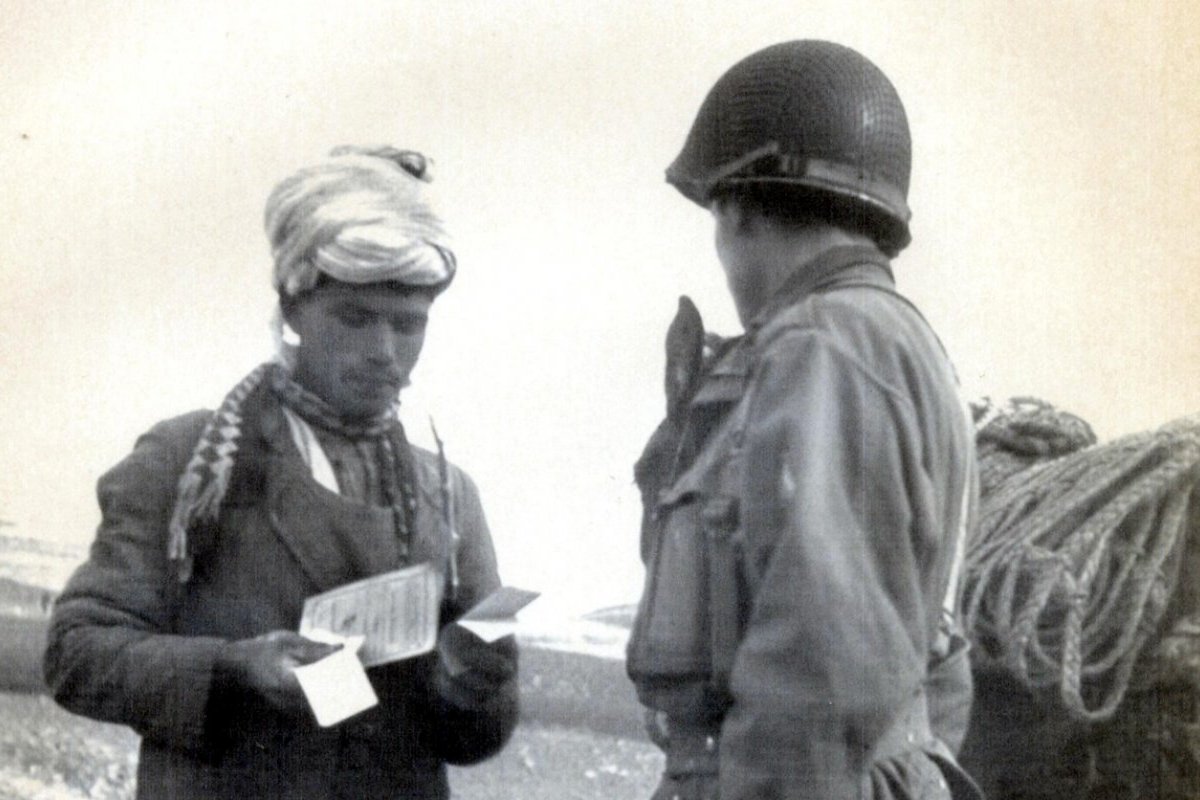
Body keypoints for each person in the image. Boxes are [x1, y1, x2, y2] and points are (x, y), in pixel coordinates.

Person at [43, 146, 518, 799]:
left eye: (408, 326)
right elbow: (75, 654)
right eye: (354, 318)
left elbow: (473, 738)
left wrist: (473, 689)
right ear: (293, 310)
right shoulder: (190, 461)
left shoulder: (449, 493)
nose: (384, 353)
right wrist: (235, 670)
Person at [627, 41, 982, 799]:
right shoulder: (894, 345)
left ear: (739, 211)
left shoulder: (821, 346)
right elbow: (936, 671)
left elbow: (816, 664)